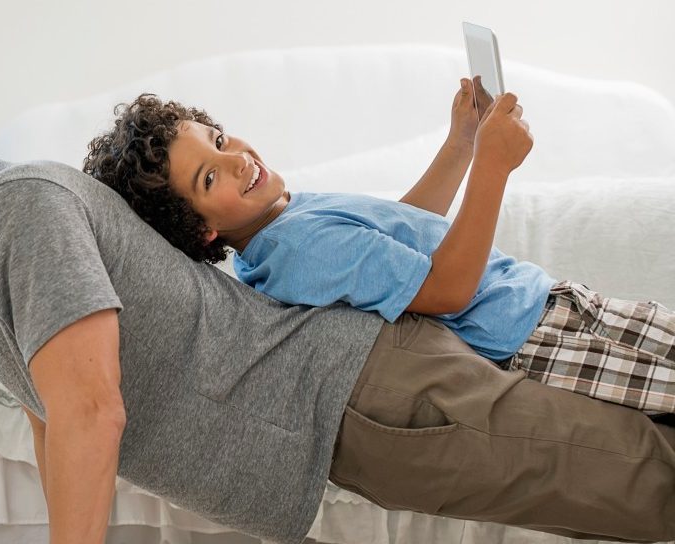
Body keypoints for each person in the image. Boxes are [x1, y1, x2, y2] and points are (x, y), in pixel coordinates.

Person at [0, 72, 675, 543]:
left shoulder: (16, 208)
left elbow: (94, 409)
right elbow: (52, 412)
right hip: (361, 405)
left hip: (368, 394)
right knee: (628, 489)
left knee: (638, 477)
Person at [83, 86, 675, 415]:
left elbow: (402, 230)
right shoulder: (296, 249)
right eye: (209, 178)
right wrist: (492, 170)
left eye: (217, 140)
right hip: (529, 339)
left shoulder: (284, 217)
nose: (235, 158)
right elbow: (446, 290)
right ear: (202, 230)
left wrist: (462, 144)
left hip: (546, 303)